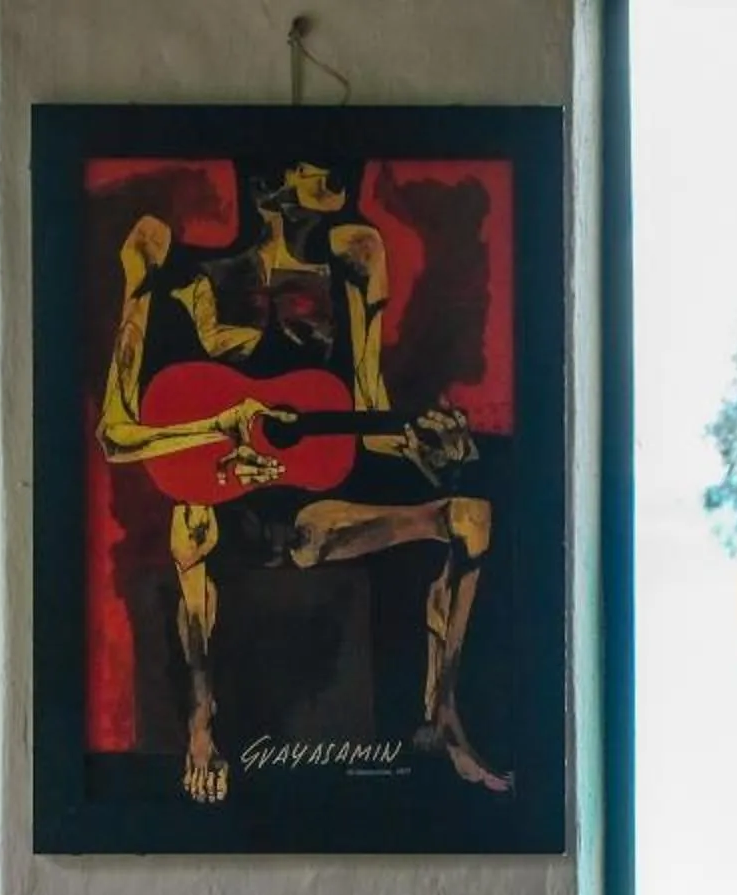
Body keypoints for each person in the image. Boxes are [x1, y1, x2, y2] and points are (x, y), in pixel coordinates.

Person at [96, 158, 507, 804]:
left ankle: (444, 717)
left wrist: (420, 445)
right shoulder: (169, 266)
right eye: (308, 164)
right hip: (219, 512)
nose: (330, 172)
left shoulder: (353, 264)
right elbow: (116, 435)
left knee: (472, 516)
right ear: (265, 186)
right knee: (190, 522)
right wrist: (221, 426)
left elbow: (363, 420)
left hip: (310, 516)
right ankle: (202, 725)